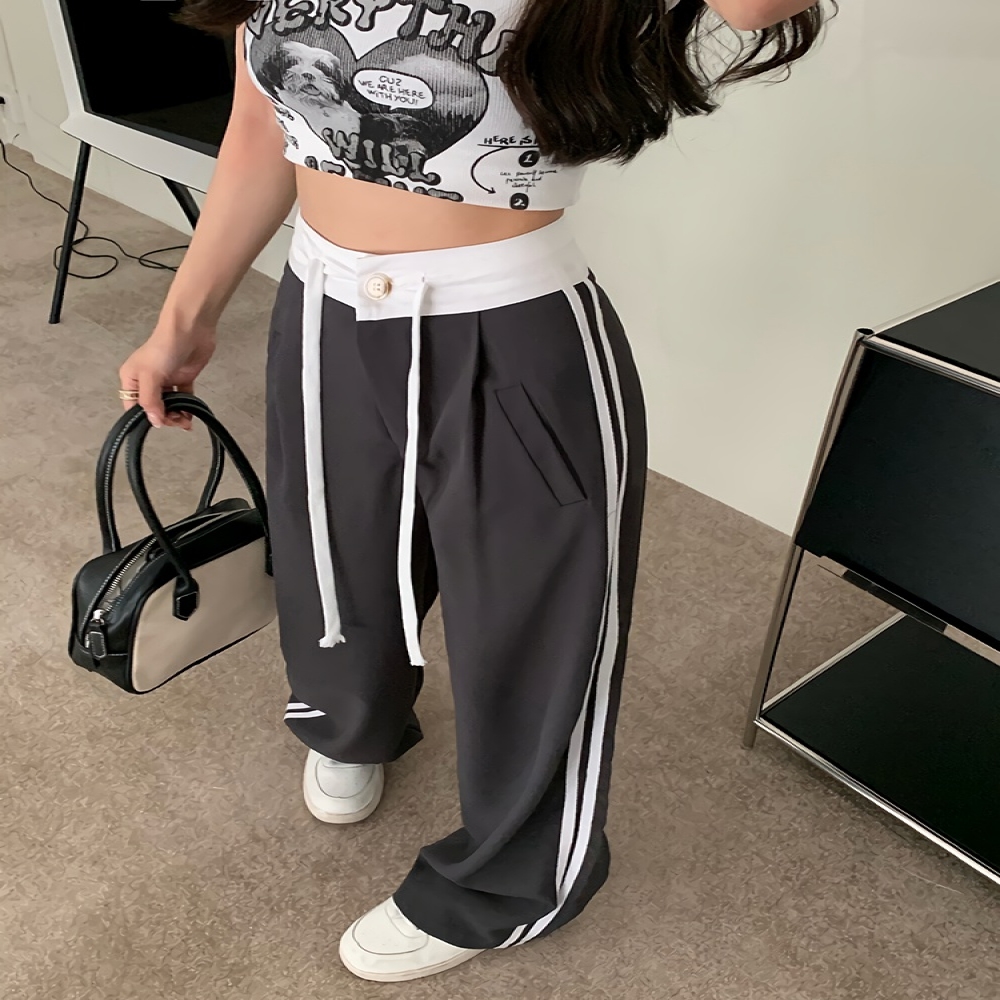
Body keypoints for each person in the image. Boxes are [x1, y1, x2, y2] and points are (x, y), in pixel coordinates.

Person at [119, 0, 831, 983]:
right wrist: (183, 319)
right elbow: (257, 128)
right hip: (321, 303)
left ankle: (515, 882)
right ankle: (351, 719)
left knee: (535, 619)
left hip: (508, 320)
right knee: (334, 554)